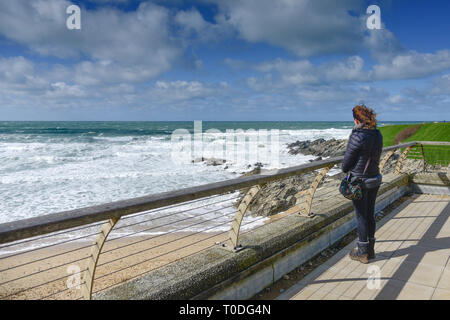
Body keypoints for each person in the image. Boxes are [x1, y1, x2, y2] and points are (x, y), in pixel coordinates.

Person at [342, 105, 383, 264]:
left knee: (361, 216)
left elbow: (346, 164)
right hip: (374, 179)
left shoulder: (358, 136)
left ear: (356, 119)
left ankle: (362, 252)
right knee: (370, 214)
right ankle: (370, 250)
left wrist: (345, 168)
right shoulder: (377, 134)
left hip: (360, 182)